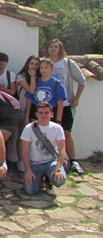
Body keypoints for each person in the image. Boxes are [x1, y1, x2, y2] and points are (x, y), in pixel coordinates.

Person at [45, 38, 87, 175]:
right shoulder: (44, 63)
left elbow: (81, 80)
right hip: (49, 105)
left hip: (66, 103)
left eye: (56, 46)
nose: (53, 48)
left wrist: (77, 97)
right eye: (51, 46)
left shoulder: (68, 63)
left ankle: (73, 161)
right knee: (48, 133)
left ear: (60, 49)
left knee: (66, 131)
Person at [21, 102, 67, 195]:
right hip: (34, 163)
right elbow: (24, 151)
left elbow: (62, 149)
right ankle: (40, 179)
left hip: (51, 162)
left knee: (59, 180)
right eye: (41, 113)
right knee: (30, 191)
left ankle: (49, 181)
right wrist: (28, 170)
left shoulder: (57, 128)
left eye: (47, 113)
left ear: (52, 114)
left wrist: (58, 168)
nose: (44, 115)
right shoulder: (29, 128)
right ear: (36, 114)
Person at [24, 58, 66, 126]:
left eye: (46, 67)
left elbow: (60, 104)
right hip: (35, 114)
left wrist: (58, 121)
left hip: (50, 114)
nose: (43, 70)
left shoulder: (57, 84)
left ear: (51, 68)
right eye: (41, 67)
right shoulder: (35, 82)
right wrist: (26, 118)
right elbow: (29, 100)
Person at [15, 55, 40, 171]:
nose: (34, 66)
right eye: (32, 64)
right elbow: (31, 90)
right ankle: (21, 160)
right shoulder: (21, 77)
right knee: (22, 135)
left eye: (36, 64)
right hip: (23, 109)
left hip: (36, 110)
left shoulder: (39, 77)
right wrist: (33, 76)